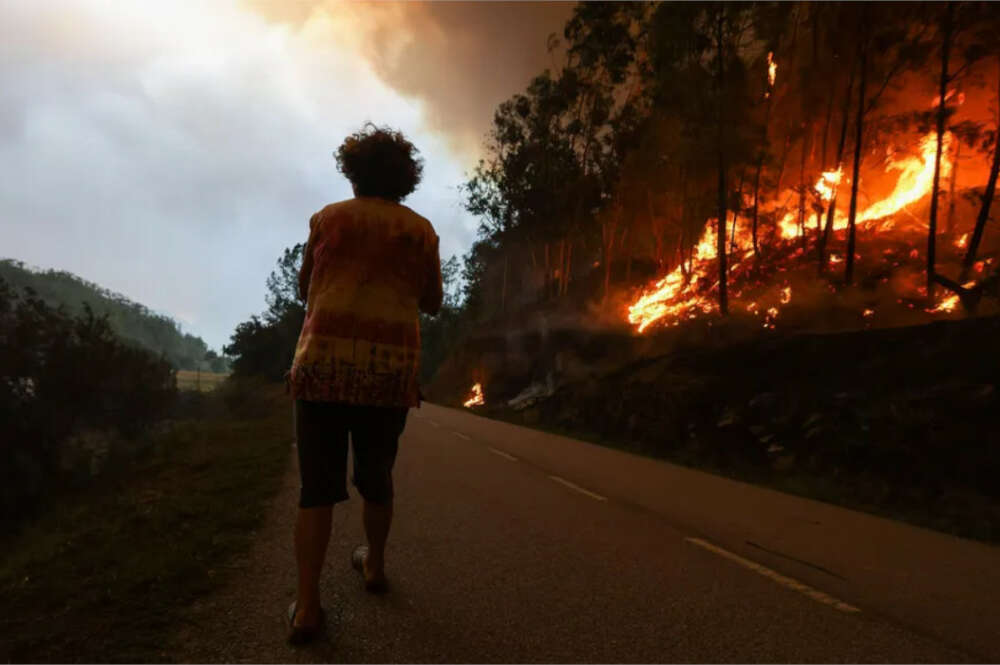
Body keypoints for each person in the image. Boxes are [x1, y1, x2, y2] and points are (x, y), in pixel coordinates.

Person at [285, 124, 443, 644]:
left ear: (353, 173)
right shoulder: (421, 232)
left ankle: (307, 608)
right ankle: (373, 565)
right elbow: (433, 301)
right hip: (388, 370)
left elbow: (307, 285)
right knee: (376, 476)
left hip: (324, 364)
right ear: (406, 178)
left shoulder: (329, 219)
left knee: (316, 489)